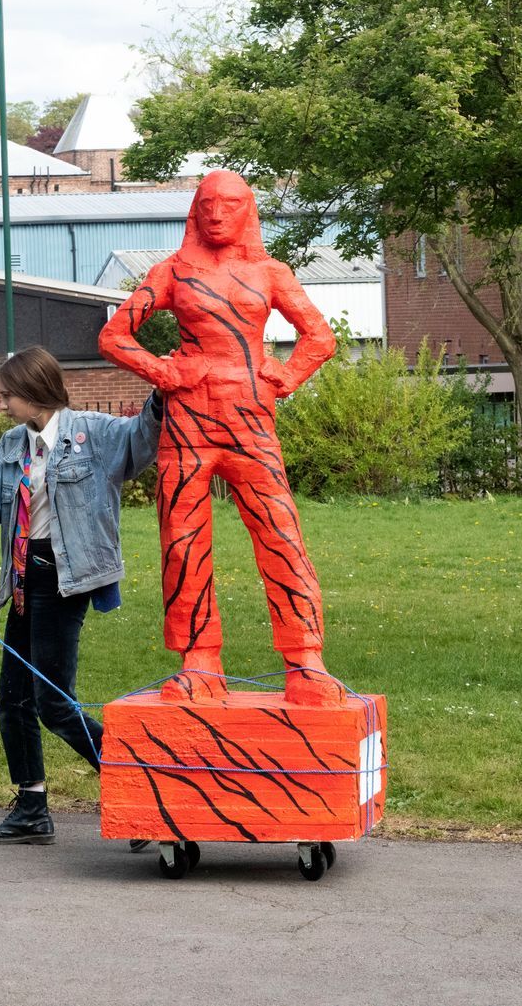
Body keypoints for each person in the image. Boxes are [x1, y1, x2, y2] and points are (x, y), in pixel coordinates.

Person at [96, 169, 343, 707]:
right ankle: (199, 661)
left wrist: (289, 375)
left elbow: (320, 336)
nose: (216, 212)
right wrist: (164, 373)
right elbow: (114, 336)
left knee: (280, 532)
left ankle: (305, 660)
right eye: (207, 202)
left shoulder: (270, 273)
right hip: (186, 425)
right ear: (194, 210)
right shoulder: (173, 273)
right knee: (182, 541)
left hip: (252, 424)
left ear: (247, 211)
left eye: (229, 203)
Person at [0, 346, 160, 845]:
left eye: (8, 394)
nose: (2, 403)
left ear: (35, 391)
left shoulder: (94, 435)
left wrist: (161, 397)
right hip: (24, 581)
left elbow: (141, 441)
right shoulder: (11, 447)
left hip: (65, 582)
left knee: (54, 703)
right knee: (13, 700)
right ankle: (32, 810)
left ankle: (142, 790)